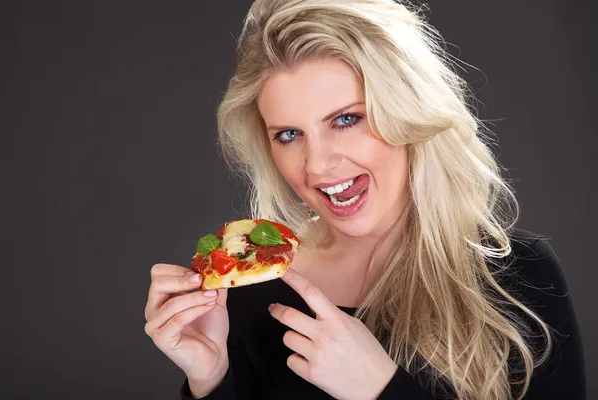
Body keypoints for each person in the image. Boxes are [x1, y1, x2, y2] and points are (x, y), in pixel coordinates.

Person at [143, 0, 586, 398]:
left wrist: (380, 389)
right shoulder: (249, 291)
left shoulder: (521, 276)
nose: (316, 165)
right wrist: (212, 379)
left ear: (408, 113)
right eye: (290, 134)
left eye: (347, 119)